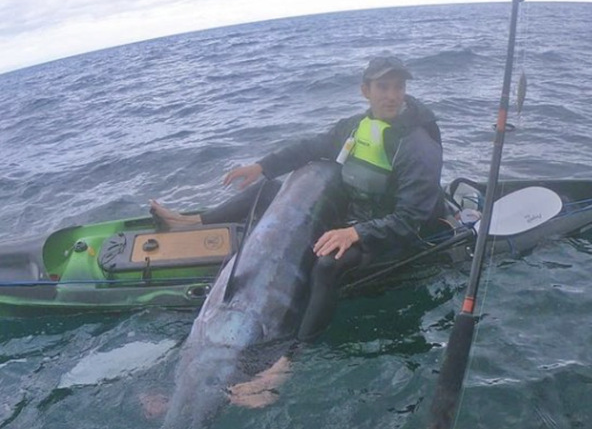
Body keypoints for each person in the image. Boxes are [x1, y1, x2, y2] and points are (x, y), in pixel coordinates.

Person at [151, 56, 445, 342]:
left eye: (399, 87)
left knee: (327, 265)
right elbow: (310, 148)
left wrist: (356, 233)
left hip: (392, 232)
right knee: (268, 191)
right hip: (357, 214)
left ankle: (290, 358)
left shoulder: (417, 145)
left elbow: (410, 219)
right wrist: (263, 167)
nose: (392, 96)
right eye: (383, 87)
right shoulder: (356, 126)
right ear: (365, 91)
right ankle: (190, 222)